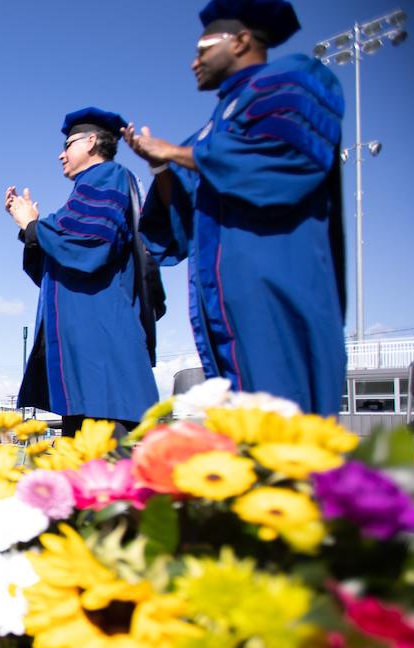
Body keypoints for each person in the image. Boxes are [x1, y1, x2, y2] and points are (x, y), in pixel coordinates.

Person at [123, 0, 346, 415]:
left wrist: (175, 151)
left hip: (278, 284)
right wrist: (161, 167)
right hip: (223, 297)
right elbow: (183, 216)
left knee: (291, 426)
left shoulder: (293, 79)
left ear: (242, 40)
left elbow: (283, 158)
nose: (194, 61)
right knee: (245, 433)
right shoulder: (212, 126)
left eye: (203, 48)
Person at [5, 108, 161, 437]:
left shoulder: (107, 176)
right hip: (88, 346)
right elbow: (55, 264)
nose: (61, 154)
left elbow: (90, 241)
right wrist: (30, 231)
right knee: (85, 467)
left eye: (68, 144)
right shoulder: (91, 186)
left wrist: (33, 225)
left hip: (99, 343)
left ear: (92, 141)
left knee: (104, 469)